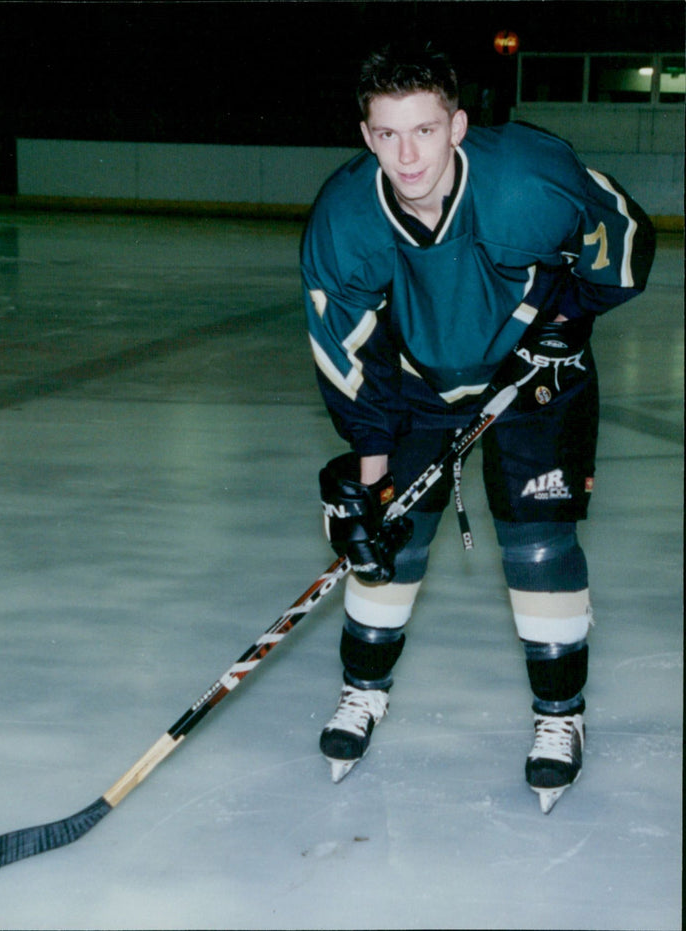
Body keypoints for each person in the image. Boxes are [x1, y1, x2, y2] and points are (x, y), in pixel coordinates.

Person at [300, 42, 655, 812]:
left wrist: (570, 317)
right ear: (366, 136)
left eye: (424, 130)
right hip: (423, 385)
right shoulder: (345, 220)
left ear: (457, 125)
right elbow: (349, 359)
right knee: (394, 537)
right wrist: (372, 488)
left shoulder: (526, 180)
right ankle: (363, 692)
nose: (408, 153)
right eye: (388, 134)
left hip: (535, 374)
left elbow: (623, 234)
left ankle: (560, 717)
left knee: (538, 542)